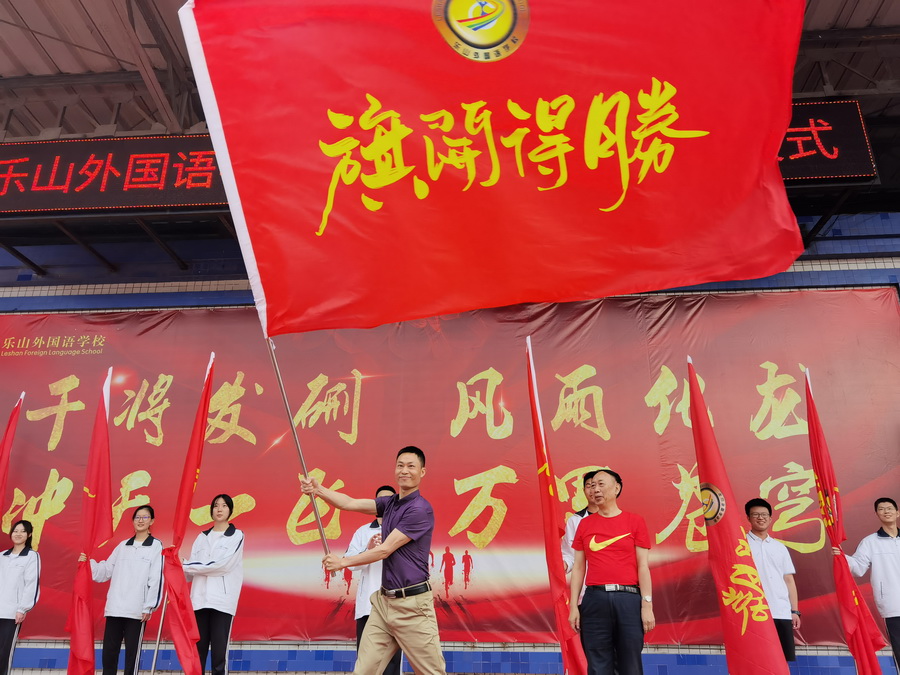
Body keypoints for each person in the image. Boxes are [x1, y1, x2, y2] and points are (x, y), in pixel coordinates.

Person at [300, 446, 446, 675]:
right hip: (384, 604)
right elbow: (348, 503)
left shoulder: (420, 509)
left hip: (412, 606)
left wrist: (343, 562)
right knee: (364, 671)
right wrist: (319, 490)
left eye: (411, 466)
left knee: (431, 672)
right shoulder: (390, 503)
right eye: (400, 465)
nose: (404, 471)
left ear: (422, 472)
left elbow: (384, 550)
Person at [568, 469, 653, 675]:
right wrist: (573, 607)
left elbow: (643, 566)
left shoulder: (635, 521)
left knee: (630, 664)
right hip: (594, 600)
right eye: (592, 485)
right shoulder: (584, 524)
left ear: (617, 488)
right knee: (598, 665)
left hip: (628, 599)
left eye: (601, 484)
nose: (595, 490)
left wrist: (647, 605)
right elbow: (578, 567)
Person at [83, 505, 163, 675]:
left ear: (152, 521)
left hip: (137, 611)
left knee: (132, 657)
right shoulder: (122, 546)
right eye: (137, 517)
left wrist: (149, 606)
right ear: (133, 521)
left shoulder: (156, 546)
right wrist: (87, 563)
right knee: (109, 654)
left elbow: (156, 578)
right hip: (115, 608)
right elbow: (106, 571)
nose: (140, 520)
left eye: (145, 517)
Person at [183, 494, 244, 675]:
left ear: (230, 510)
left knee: (219, 655)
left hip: (221, 602)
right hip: (199, 601)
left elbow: (222, 566)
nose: (219, 509)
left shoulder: (236, 536)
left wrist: (187, 565)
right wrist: (177, 565)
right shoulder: (201, 537)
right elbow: (189, 574)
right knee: (197, 653)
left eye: (224, 506)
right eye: (216, 505)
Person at [837, 496, 900, 669]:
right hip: (893, 605)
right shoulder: (870, 542)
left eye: (889, 508)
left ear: (897, 513)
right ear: (876, 514)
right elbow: (858, 568)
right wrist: (841, 556)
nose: (886, 511)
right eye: (881, 509)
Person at [344, 485, 402, 675]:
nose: (384, 504)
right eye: (380, 501)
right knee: (366, 661)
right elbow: (349, 564)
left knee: (392, 663)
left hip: (395, 605)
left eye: (389, 501)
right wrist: (368, 550)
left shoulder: (402, 531)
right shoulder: (363, 532)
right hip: (368, 607)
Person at [744, 498, 800, 661]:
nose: (760, 518)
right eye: (755, 514)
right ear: (748, 518)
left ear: (770, 518)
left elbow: (788, 580)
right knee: (756, 658)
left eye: (764, 514)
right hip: (754, 611)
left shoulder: (779, 547)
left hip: (780, 610)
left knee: (781, 659)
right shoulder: (741, 545)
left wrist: (794, 611)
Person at [0, 520, 39, 675]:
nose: (18, 534)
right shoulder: (2, 556)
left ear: (28, 535)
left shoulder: (31, 556)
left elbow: (32, 584)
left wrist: (22, 609)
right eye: (15, 531)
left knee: (4, 653)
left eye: (22, 531)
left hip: (11, 614)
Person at [562, 470, 600, 573]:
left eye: (598, 485)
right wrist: (563, 564)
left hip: (616, 580)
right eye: (590, 486)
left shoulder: (620, 520)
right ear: (583, 490)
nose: (594, 490)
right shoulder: (575, 521)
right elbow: (570, 555)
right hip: (587, 580)